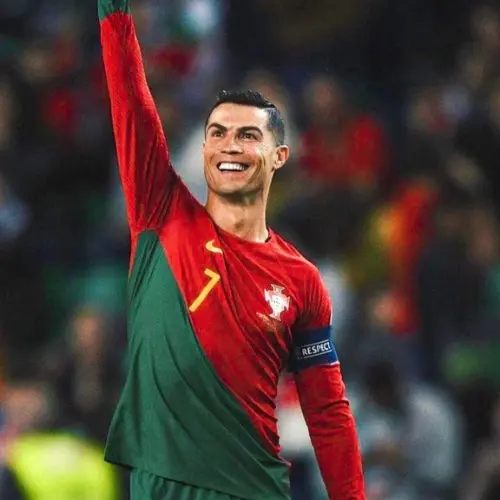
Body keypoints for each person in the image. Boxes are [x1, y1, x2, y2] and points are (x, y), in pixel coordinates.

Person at [98, 1, 365, 499]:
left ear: (278, 156)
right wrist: (114, 11)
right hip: (163, 485)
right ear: (203, 152)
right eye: (217, 134)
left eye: (247, 135)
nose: (229, 145)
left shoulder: (301, 280)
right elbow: (130, 99)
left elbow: (327, 412)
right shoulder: (161, 216)